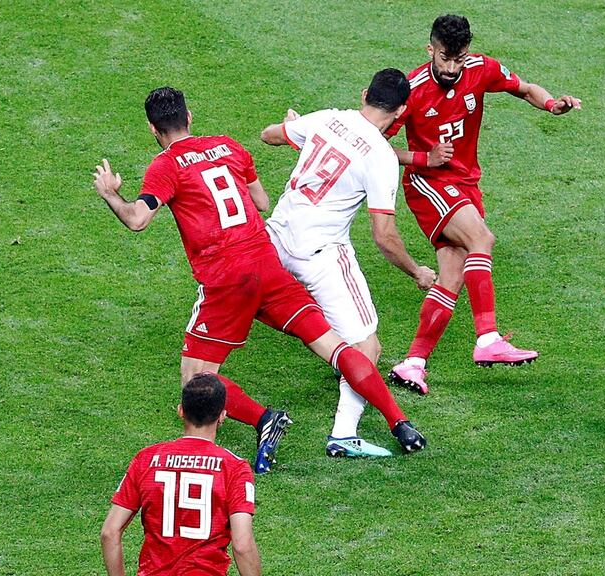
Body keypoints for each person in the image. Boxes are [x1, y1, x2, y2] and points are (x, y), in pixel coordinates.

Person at [92, 87, 427, 472]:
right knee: (336, 346)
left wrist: (111, 195)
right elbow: (262, 202)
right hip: (268, 265)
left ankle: (264, 419)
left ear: (153, 128)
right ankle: (398, 421)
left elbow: (137, 218)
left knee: (194, 383)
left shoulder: (165, 166)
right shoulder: (228, 147)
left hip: (227, 278)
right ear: (189, 117)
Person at [385, 14, 581, 395]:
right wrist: (423, 159)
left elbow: (524, 88)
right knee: (482, 239)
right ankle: (488, 338)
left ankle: (413, 363)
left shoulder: (481, 69)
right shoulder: (412, 89)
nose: (453, 68)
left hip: (465, 184)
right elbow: (372, 143)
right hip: (429, 184)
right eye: (445, 58)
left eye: (459, 59)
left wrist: (552, 104)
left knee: (453, 276)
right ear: (431, 50)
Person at [259, 69, 436, 458]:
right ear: (401, 110)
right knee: (367, 346)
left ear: (364, 94)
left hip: (275, 239)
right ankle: (343, 432)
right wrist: (417, 271)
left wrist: (294, 127)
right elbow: (384, 237)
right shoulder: (383, 158)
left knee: (243, 301)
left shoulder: (327, 118)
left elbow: (269, 135)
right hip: (320, 254)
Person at [100, 373, 261, 576]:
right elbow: (242, 544)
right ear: (222, 416)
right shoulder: (234, 468)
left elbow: (109, 533)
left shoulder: (146, 460)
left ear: (181, 411)